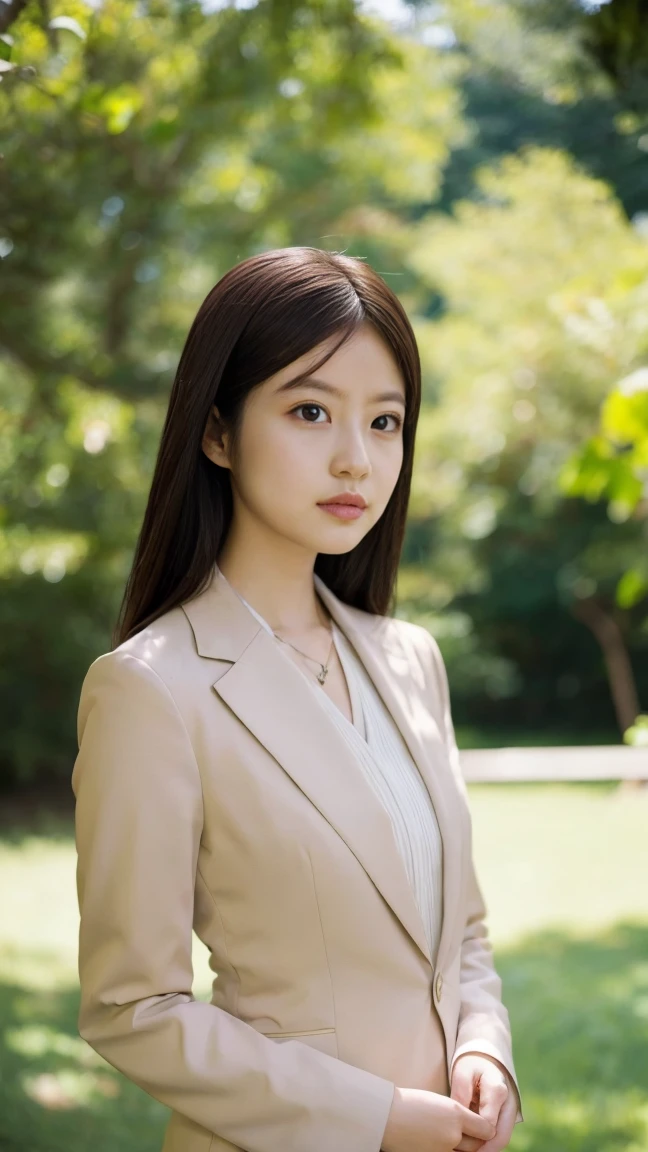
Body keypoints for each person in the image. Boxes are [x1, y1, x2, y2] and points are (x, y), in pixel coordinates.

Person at [72, 246, 523, 1152]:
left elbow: (460, 933)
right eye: (311, 411)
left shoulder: (410, 657)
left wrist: (485, 1046)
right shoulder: (150, 688)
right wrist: (376, 1118)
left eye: (386, 421)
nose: (356, 459)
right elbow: (134, 1009)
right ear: (218, 432)